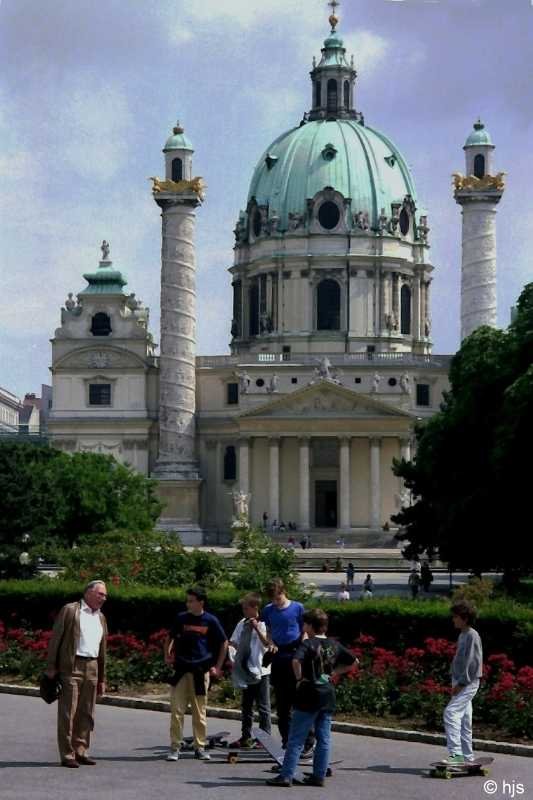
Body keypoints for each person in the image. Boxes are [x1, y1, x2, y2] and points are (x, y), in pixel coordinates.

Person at [266, 609, 356, 787]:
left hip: (309, 693)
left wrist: (300, 679)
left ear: (309, 626)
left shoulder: (307, 644)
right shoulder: (334, 644)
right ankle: (318, 775)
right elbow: (354, 662)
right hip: (327, 693)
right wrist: (334, 673)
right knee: (324, 737)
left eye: (304, 624)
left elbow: (295, 661)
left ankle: (286, 775)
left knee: (296, 737)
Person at [45, 580, 108, 767]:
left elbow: (103, 649)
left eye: (105, 595)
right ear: (88, 593)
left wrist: (102, 678)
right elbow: (56, 638)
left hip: (93, 666)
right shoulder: (71, 610)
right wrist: (51, 666)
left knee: (87, 712)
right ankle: (67, 754)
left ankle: (81, 749)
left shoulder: (101, 617)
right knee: (68, 711)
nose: (104, 598)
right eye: (100, 594)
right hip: (71, 666)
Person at [165, 587, 228, 762]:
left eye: (191, 600)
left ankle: (199, 747)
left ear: (201, 602)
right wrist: (167, 655)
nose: (188, 603)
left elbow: (224, 642)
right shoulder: (181, 618)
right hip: (181, 671)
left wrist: (218, 666)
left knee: (199, 713)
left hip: (201, 671)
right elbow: (169, 638)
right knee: (176, 710)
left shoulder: (210, 620)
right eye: (187, 600)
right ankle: (175, 747)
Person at [261, 579, 314, 756]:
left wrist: (305, 648)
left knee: (301, 701)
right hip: (279, 657)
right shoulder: (268, 610)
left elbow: (304, 630)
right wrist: (271, 643)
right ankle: (287, 741)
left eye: (278, 598)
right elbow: (268, 632)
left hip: (296, 654)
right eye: (273, 599)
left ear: (284, 592)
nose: (276, 602)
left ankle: (308, 741)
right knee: (283, 706)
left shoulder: (297, 607)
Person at [441, 601, 483, 766]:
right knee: (465, 719)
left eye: (456, 616)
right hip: (461, 681)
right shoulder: (463, 634)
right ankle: (467, 756)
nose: (453, 619)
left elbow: (472, 662)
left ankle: (456, 755)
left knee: (450, 714)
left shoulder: (472, 635)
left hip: (467, 682)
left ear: (464, 618)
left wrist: (462, 683)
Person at [228, 593, 272, 748]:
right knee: (246, 706)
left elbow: (268, 644)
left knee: (263, 706)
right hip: (246, 669)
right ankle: (245, 736)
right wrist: (233, 651)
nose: (244, 611)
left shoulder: (264, 623)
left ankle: (264, 738)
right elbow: (233, 641)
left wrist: (257, 629)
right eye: (243, 608)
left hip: (261, 670)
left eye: (246, 608)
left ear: (255, 608)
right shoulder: (242, 623)